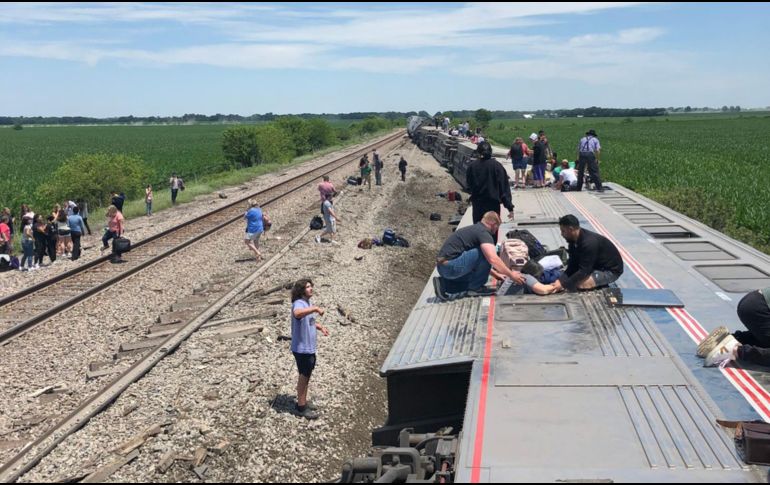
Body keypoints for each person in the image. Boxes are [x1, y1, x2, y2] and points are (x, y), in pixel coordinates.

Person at [433, 211, 526, 300]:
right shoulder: (483, 233)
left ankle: (444, 285)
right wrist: (511, 275)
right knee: (485, 253)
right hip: (451, 267)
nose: (496, 230)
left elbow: (477, 261)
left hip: (444, 267)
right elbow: (492, 259)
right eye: (497, 226)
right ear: (493, 224)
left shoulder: (475, 229)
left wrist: (496, 274)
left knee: (473, 279)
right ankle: (476, 288)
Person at [550, 215, 623, 292]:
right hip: (594, 265)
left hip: (610, 271)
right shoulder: (572, 240)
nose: (561, 234)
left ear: (571, 229)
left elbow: (584, 271)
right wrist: (560, 280)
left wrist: (564, 285)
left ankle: (600, 283)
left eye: (563, 231)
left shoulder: (589, 243)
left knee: (580, 284)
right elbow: (572, 265)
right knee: (569, 280)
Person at [699, 288, 770, 367]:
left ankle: (732, 339)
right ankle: (734, 350)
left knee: (766, 342)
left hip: (754, 300)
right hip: (761, 308)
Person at [290, 279, 329, 420]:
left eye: (311, 286)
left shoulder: (308, 303)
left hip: (309, 347)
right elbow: (298, 313)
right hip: (301, 348)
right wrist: (315, 309)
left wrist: (320, 327)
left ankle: (303, 401)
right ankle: (301, 407)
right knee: (304, 376)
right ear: (301, 290)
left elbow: (310, 320)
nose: (311, 288)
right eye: (307, 287)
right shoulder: (299, 304)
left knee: (307, 375)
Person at [466, 141, 514, 224]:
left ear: (478, 152)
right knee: (492, 230)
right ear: (491, 152)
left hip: (478, 204)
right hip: (493, 205)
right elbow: (504, 189)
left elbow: (469, 185)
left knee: (479, 231)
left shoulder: (472, 166)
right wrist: (509, 207)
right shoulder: (497, 166)